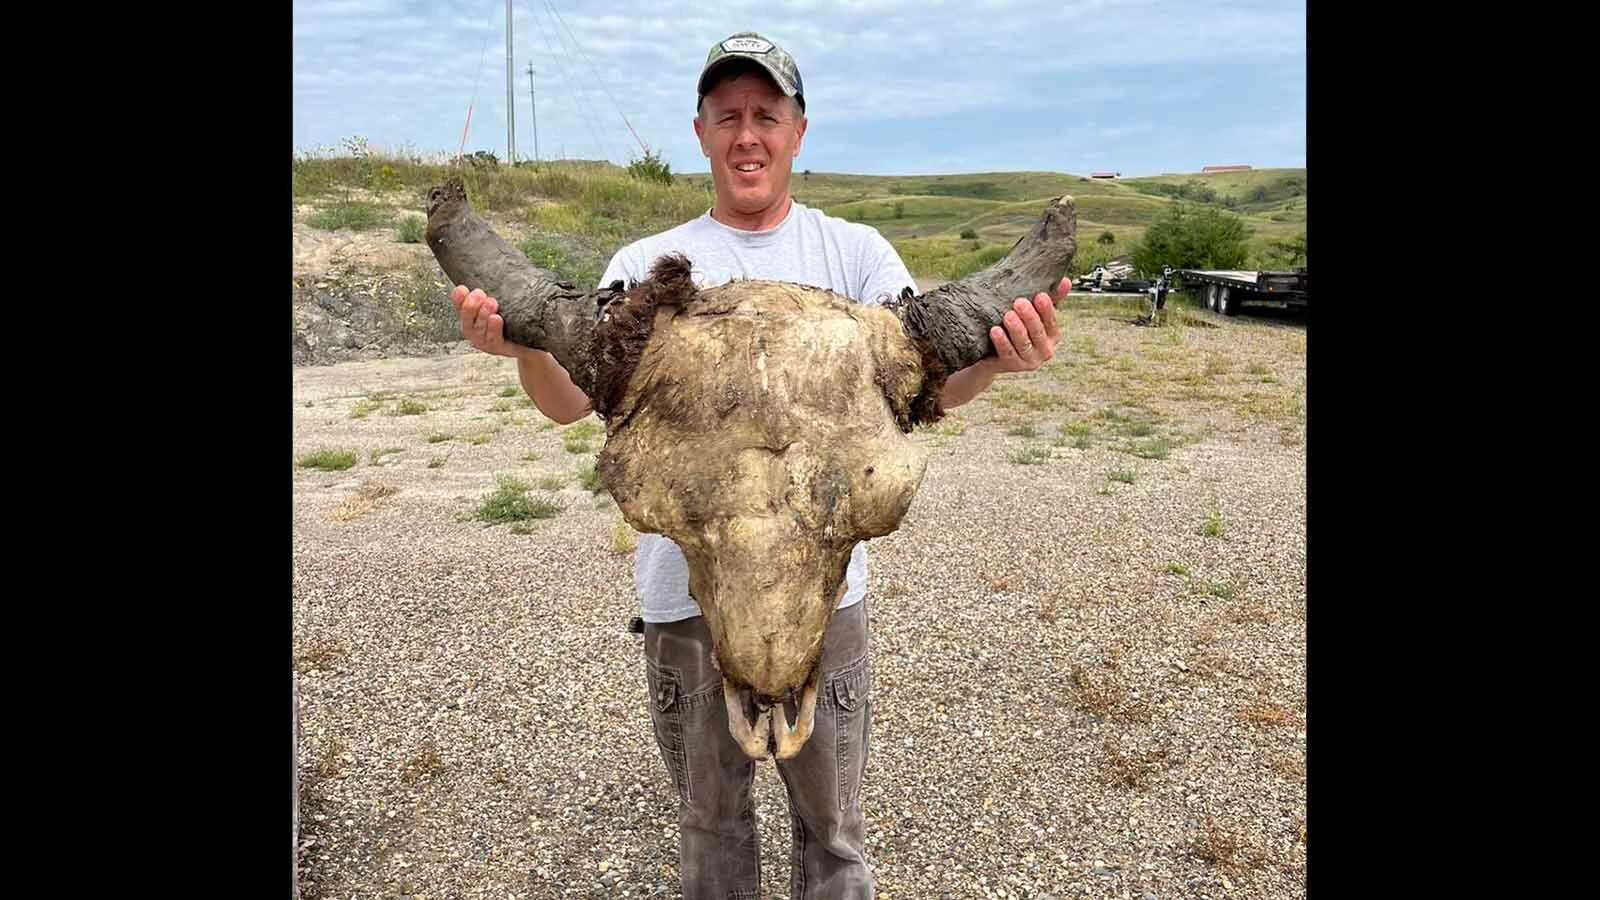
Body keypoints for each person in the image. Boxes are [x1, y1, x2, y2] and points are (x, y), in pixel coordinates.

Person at [449, 30, 1068, 900]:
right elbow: (570, 402)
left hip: (833, 608)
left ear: (798, 132)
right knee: (709, 830)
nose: (748, 134)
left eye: (766, 116)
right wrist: (515, 347)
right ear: (700, 132)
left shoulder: (856, 257)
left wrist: (1003, 357)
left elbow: (929, 391)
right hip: (681, 606)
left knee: (836, 833)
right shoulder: (641, 269)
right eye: (728, 116)